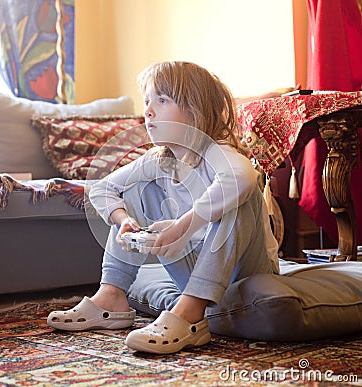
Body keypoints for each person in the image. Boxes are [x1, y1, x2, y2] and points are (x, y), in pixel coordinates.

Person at [47, 61, 279, 354]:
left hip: (246, 271)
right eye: (146, 101)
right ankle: (111, 298)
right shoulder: (158, 160)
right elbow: (103, 188)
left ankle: (190, 315)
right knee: (131, 187)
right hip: (193, 271)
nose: (148, 110)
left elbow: (243, 177)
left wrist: (184, 225)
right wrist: (123, 221)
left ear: (194, 110)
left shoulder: (217, 153)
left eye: (162, 100)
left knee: (237, 197)